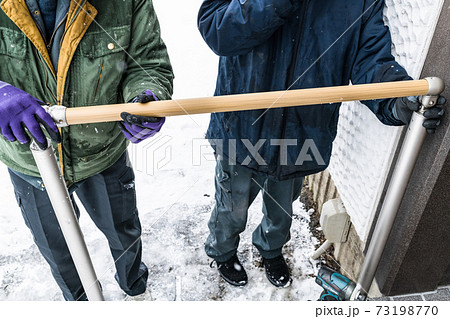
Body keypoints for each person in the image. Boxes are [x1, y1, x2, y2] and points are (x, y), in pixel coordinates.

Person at [197, 0, 446, 288]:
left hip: (301, 132)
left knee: (281, 208)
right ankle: (223, 252)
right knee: (231, 206)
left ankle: (271, 249)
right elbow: (218, 31)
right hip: (240, 128)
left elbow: (371, 62)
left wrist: (397, 100)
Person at [0, 0, 173, 300]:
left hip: (103, 153)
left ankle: (133, 282)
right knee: (57, 247)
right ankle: (79, 299)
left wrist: (147, 98)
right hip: (30, 164)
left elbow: (147, 60)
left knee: (123, 230)